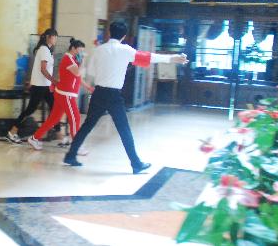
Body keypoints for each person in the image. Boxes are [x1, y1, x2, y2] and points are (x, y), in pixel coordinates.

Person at [63, 21, 189, 173]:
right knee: (124, 130)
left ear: (109, 33)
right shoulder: (125, 50)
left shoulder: (99, 50)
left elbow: (91, 73)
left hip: (98, 93)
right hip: (114, 95)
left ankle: (70, 155)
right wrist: (174, 58)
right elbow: (150, 57)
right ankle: (136, 163)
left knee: (87, 126)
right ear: (124, 36)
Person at [28, 38, 94, 152]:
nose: (81, 53)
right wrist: (83, 60)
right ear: (73, 48)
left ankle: (34, 138)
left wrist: (88, 87)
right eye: (80, 50)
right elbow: (78, 73)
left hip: (63, 94)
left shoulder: (72, 59)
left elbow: (77, 77)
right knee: (75, 118)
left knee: (54, 119)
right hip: (66, 95)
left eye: (82, 51)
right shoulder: (68, 59)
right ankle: (77, 146)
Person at [6, 28, 59, 144]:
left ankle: (58, 134)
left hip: (44, 85)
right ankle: (12, 132)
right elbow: (43, 69)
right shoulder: (44, 49)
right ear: (49, 37)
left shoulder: (47, 50)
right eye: (55, 37)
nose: (56, 39)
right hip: (40, 86)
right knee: (30, 110)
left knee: (54, 107)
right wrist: (54, 81)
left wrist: (51, 82)